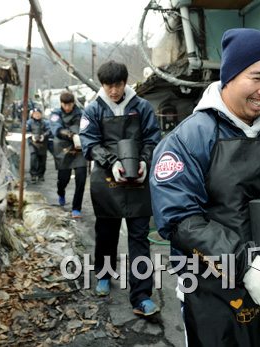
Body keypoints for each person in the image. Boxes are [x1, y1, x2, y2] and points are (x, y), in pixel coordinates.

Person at [149, 28, 260, 346]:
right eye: (256, 77)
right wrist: (244, 263)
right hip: (209, 288)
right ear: (229, 77)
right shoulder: (191, 138)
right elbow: (179, 219)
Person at [79, 60, 162, 317]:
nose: (113, 90)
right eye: (108, 85)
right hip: (107, 179)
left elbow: (152, 139)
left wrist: (144, 162)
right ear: (102, 85)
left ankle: (141, 295)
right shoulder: (93, 110)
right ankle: (104, 275)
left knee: (139, 237)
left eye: (118, 84)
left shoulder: (142, 107)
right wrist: (111, 161)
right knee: (106, 231)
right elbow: (89, 142)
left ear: (126, 82)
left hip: (138, 179)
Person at [49, 91, 87, 219]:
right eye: (64, 105)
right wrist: (70, 135)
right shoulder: (55, 114)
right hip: (63, 147)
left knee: (81, 178)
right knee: (63, 178)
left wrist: (80, 137)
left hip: (78, 148)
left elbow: (86, 127)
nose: (67, 107)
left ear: (73, 103)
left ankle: (76, 208)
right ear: (61, 103)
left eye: (69, 105)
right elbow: (56, 129)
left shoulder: (80, 113)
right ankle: (61, 192)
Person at [26, 107, 51, 183]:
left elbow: (49, 130)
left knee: (42, 160)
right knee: (33, 158)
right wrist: (32, 136)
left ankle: (41, 175)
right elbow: (26, 131)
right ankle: (33, 174)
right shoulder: (29, 122)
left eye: (38, 114)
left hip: (43, 143)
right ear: (32, 115)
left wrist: (44, 135)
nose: (37, 115)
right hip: (32, 143)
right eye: (35, 114)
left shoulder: (45, 122)